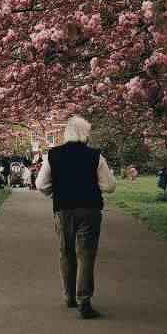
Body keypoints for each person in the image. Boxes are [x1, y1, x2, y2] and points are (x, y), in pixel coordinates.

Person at [35, 116, 116, 319]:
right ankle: (84, 300)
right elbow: (110, 186)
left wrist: (58, 193)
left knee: (66, 252)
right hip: (89, 209)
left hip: (63, 209)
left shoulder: (52, 155)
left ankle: (69, 295)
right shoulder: (95, 156)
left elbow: (41, 185)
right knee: (86, 254)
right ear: (85, 134)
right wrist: (90, 187)